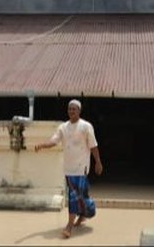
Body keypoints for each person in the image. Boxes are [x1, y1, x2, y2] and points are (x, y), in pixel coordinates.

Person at [34, 99, 103, 238]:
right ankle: (80, 217)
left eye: (74, 109)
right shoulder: (63, 127)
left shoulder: (86, 126)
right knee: (77, 197)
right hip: (69, 169)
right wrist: (42, 145)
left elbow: (93, 146)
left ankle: (70, 225)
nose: (71, 111)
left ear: (79, 111)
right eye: (69, 109)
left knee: (76, 196)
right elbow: (54, 141)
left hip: (82, 169)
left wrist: (98, 162)